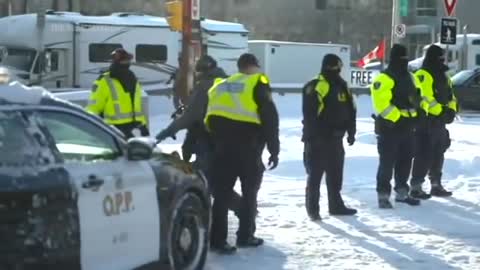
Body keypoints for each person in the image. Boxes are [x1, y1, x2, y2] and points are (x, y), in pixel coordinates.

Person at [205, 53, 279, 254]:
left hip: (222, 148)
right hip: (248, 148)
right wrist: (274, 149)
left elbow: (210, 118)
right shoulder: (258, 82)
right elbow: (270, 118)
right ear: (252, 66)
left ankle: (217, 240)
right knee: (249, 194)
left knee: (221, 194)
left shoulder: (221, 85)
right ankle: (245, 236)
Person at [155, 55, 243, 213]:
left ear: (202, 71)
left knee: (205, 181)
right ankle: (245, 214)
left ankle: (236, 210)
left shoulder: (204, 86)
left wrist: (168, 131)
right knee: (219, 181)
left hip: (208, 140)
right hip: (233, 141)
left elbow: (190, 116)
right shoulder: (231, 84)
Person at [302, 54, 358, 221]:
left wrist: (351, 130)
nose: (337, 70)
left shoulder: (342, 86)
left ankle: (336, 205)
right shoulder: (316, 85)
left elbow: (351, 109)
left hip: (336, 139)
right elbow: (310, 115)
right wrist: (314, 137)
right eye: (335, 67)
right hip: (318, 139)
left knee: (335, 174)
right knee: (315, 176)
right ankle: (313, 209)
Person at [370, 44, 426, 209]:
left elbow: (418, 96)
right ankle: (383, 196)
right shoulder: (384, 78)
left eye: (405, 57)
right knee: (387, 164)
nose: (404, 61)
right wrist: (398, 118)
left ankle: (402, 192)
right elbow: (382, 105)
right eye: (401, 58)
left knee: (405, 161)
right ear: (394, 58)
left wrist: (421, 111)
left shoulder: (410, 77)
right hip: (390, 128)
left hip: (408, 128)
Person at [410, 45, 458, 199]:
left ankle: (436, 184)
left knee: (439, 153)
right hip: (426, 121)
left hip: (440, 122)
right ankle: (416, 186)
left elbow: (451, 96)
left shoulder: (445, 76)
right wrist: (440, 111)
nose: (442, 60)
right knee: (424, 153)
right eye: (440, 57)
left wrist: (451, 110)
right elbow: (425, 98)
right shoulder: (423, 74)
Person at [86, 48, 149, 139]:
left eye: (128, 60)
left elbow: (136, 105)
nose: (127, 63)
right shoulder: (104, 80)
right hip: (111, 128)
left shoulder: (132, 78)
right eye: (124, 61)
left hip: (130, 127)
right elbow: (94, 106)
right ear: (116, 62)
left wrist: (142, 125)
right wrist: (91, 125)